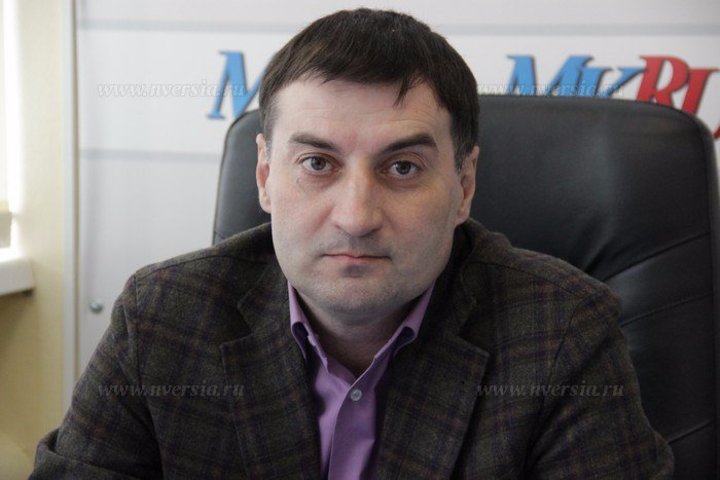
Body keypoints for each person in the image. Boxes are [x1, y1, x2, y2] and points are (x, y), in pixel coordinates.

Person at [32, 8, 673, 479]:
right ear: (265, 176)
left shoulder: (561, 332)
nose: (357, 216)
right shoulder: (162, 319)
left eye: (403, 167)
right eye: (317, 163)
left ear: (464, 185)